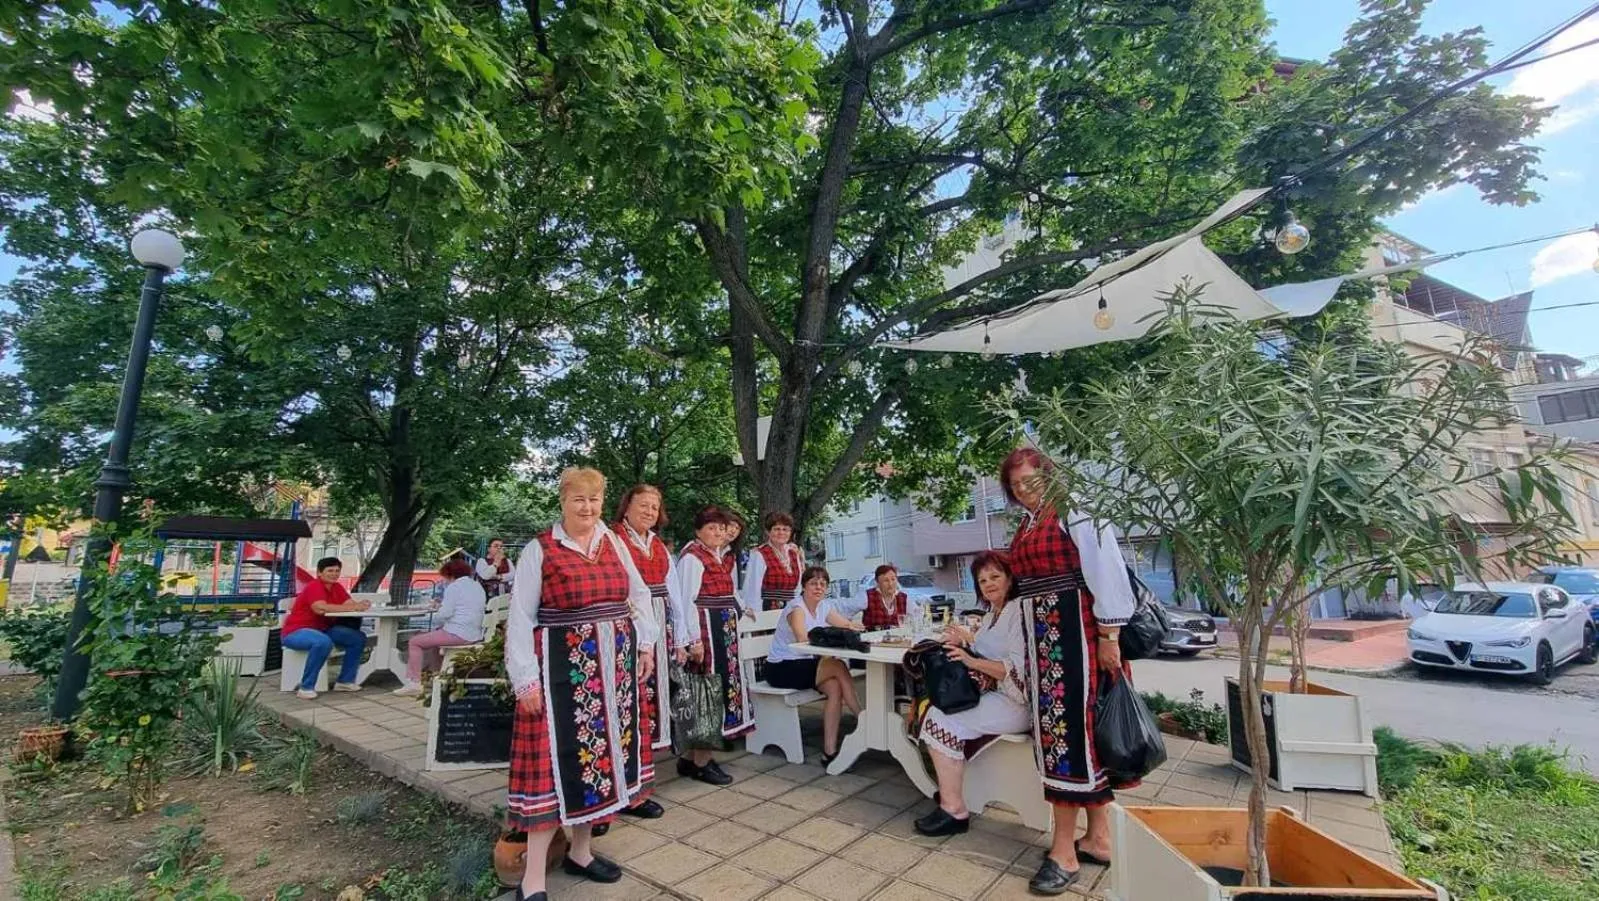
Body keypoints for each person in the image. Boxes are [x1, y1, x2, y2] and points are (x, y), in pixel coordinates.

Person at [504, 467, 659, 901]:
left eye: (593, 500)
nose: (587, 508)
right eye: (578, 500)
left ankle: (582, 851)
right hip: (560, 677)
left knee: (600, 763)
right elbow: (520, 617)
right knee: (554, 772)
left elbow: (639, 593)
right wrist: (525, 680)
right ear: (563, 502)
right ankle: (532, 878)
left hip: (612, 676)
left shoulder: (611, 541)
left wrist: (645, 645)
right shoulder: (541, 549)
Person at [1000, 447, 1136, 896]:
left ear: (1048, 476)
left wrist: (1109, 636)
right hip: (1048, 643)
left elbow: (1107, 571)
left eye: (1030, 481)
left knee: (1067, 741)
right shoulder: (1029, 521)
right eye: (1016, 484)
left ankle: (1063, 851)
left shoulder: (1074, 511)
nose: (1023, 489)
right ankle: (1099, 838)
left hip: (1076, 640)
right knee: (1077, 740)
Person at [914, 551, 1031, 836]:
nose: (988, 584)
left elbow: (1017, 670)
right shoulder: (993, 613)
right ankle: (951, 795)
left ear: (1009, 577)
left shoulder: (1018, 611)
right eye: (982, 580)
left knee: (938, 720)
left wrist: (970, 660)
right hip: (998, 695)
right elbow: (987, 647)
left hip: (1018, 702)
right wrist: (965, 641)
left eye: (995, 576)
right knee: (936, 711)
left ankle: (953, 809)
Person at [674, 505, 754, 785]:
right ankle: (701, 763)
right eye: (711, 528)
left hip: (723, 633)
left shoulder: (719, 556)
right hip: (707, 634)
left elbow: (730, 593)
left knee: (716, 693)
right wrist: (693, 640)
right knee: (706, 697)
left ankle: (691, 760)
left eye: (721, 528)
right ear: (698, 531)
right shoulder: (693, 559)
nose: (718, 533)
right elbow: (686, 602)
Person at [612, 483, 677, 820]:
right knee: (624, 709)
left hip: (655, 629)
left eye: (655, 507)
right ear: (626, 506)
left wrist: (679, 634)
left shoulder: (657, 545)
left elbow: (673, 590)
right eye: (643, 505)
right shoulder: (613, 539)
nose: (650, 512)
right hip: (625, 628)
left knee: (644, 708)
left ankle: (635, 787)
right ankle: (617, 793)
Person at [766, 565, 863, 763]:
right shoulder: (797, 608)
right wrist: (831, 638)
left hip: (804, 664)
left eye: (822, 584)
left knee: (835, 687)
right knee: (838, 666)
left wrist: (856, 628)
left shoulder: (824, 606)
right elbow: (802, 639)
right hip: (782, 667)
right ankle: (863, 718)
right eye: (813, 583)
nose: (818, 587)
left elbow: (846, 624)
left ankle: (829, 752)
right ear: (804, 586)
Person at [281, 557, 371, 700]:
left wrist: (360, 605)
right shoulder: (314, 586)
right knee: (322, 642)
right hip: (296, 631)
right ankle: (306, 687)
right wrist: (353, 606)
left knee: (357, 638)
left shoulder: (337, 587)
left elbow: (351, 605)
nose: (334, 573)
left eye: (337, 570)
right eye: (330, 570)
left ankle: (345, 681)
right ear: (319, 573)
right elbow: (319, 608)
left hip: (323, 629)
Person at [394, 558, 485, 697]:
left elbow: (444, 614)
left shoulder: (454, 587)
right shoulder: (476, 586)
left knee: (415, 641)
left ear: (450, 574)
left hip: (457, 633)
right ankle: (438, 677)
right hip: (474, 634)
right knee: (434, 643)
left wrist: (437, 609)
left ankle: (413, 683)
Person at [744, 512, 805, 611]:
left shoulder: (794, 554)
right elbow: (753, 587)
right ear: (768, 532)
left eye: (785, 529)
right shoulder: (760, 554)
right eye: (777, 529)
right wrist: (755, 613)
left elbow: (797, 588)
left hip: (790, 608)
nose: (781, 533)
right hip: (766, 608)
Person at [861, 563, 920, 630]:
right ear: (878, 582)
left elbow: (918, 616)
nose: (890, 584)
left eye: (893, 579)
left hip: (899, 639)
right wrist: (850, 625)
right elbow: (847, 610)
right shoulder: (867, 596)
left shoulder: (903, 598)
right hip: (872, 639)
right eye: (886, 580)